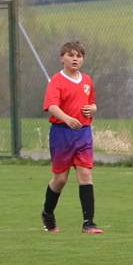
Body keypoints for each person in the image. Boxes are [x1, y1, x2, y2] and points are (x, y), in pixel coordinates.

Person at [40, 40, 103, 235]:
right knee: (60, 178)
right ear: (62, 58)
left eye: (79, 56)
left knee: (85, 174)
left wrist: (93, 109)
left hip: (83, 133)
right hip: (62, 134)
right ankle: (47, 213)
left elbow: (92, 104)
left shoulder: (87, 81)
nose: (75, 59)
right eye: (71, 55)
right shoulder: (56, 81)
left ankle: (88, 223)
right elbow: (51, 106)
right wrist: (67, 119)